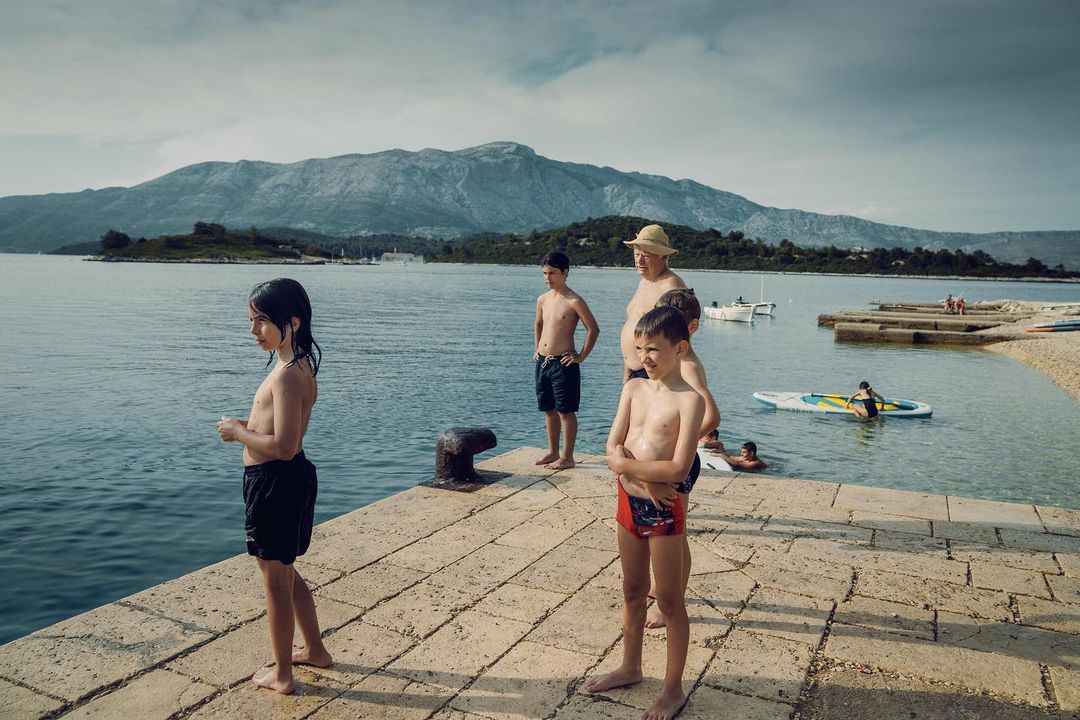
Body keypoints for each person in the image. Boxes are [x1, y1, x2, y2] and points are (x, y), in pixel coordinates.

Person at [585, 306, 705, 720]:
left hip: (664, 510)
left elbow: (678, 468)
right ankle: (631, 666)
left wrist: (624, 467)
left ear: (680, 348)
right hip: (629, 501)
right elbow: (611, 446)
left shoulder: (689, 401)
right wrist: (637, 480)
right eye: (639, 349)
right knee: (632, 590)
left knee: (669, 601)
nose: (645, 358)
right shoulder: (633, 389)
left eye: (653, 349)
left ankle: (673, 690)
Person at [217, 278, 332, 694]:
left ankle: (283, 675)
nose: (253, 331)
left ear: (293, 322)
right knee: (285, 572)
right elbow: (282, 432)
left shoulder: (286, 376)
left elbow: (284, 446)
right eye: (252, 321)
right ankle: (315, 650)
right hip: (284, 480)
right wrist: (251, 428)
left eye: (262, 321)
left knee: (275, 581)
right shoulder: (298, 366)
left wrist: (236, 432)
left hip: (275, 483)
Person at [644, 288, 721, 628]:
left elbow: (711, 415)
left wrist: (681, 442)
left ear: (689, 330)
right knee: (662, 530)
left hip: (680, 462)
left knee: (673, 533)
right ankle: (662, 587)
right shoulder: (676, 363)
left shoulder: (687, 366)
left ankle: (670, 603)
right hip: (668, 459)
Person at [533, 251, 600, 470]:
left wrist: (580, 356)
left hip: (564, 363)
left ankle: (567, 456)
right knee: (549, 410)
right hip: (543, 362)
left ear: (565, 273)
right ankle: (552, 451)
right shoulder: (542, 299)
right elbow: (539, 325)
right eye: (544, 273)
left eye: (552, 273)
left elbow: (593, 329)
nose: (547, 278)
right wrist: (537, 348)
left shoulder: (574, 300)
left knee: (565, 411)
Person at [620, 225, 687, 383]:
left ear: (664, 257)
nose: (639, 260)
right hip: (635, 372)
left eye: (646, 256)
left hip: (655, 373)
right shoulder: (643, 282)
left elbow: (681, 336)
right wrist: (627, 370)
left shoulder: (671, 286)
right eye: (636, 255)